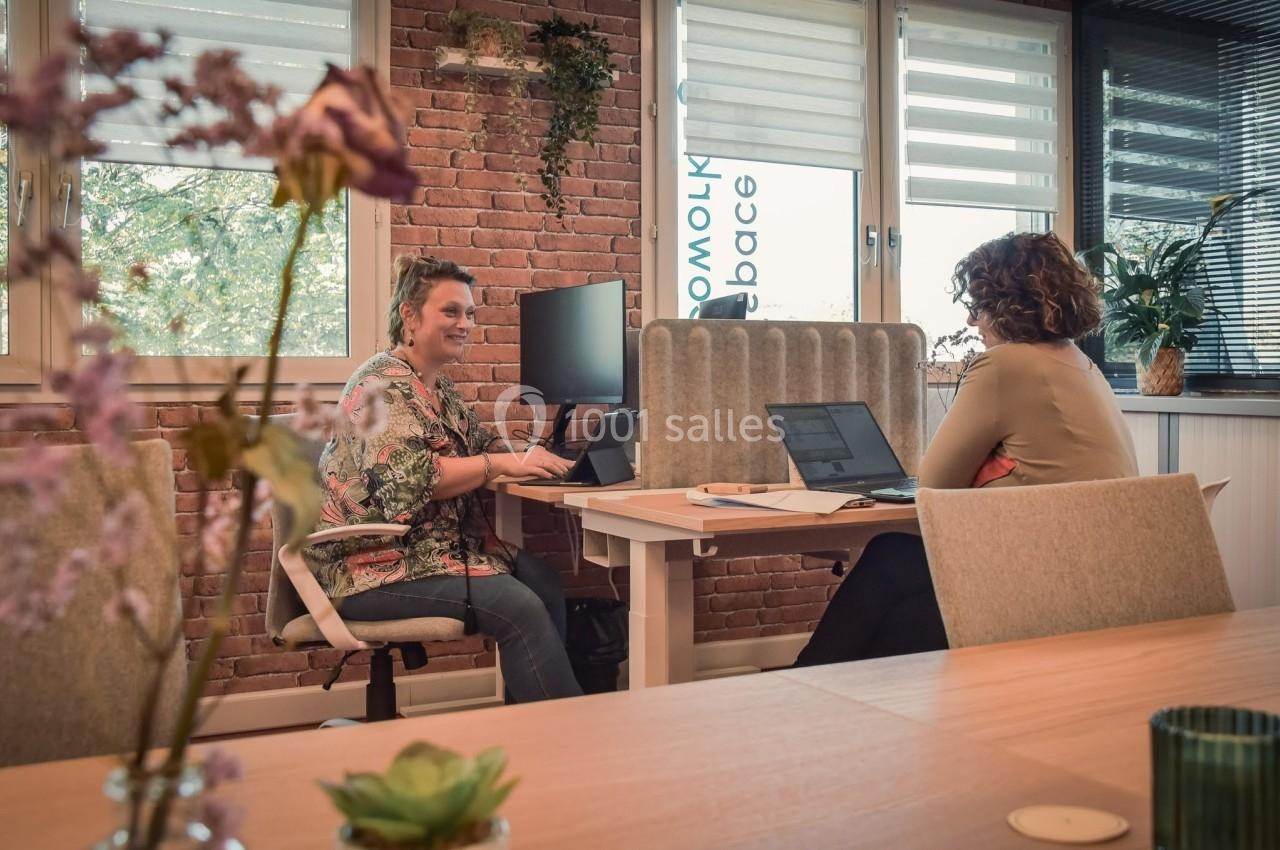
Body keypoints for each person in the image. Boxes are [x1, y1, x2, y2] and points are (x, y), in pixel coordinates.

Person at [793, 232, 1138, 667]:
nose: (974, 323)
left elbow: (935, 490)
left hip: (1046, 576)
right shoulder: (1082, 365)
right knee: (901, 605)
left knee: (888, 559)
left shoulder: (1005, 364)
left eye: (978, 307)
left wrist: (986, 471)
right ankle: (829, 696)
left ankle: (802, 689)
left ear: (1007, 306)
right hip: (1099, 572)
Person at [305, 254, 584, 702]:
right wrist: (499, 466)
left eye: (470, 313)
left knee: (543, 582)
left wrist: (533, 456)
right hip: (369, 570)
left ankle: (532, 735)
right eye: (451, 312)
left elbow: (480, 446)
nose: (466, 324)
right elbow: (409, 483)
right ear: (409, 317)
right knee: (520, 608)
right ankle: (572, 740)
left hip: (427, 557)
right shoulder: (380, 386)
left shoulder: (437, 388)